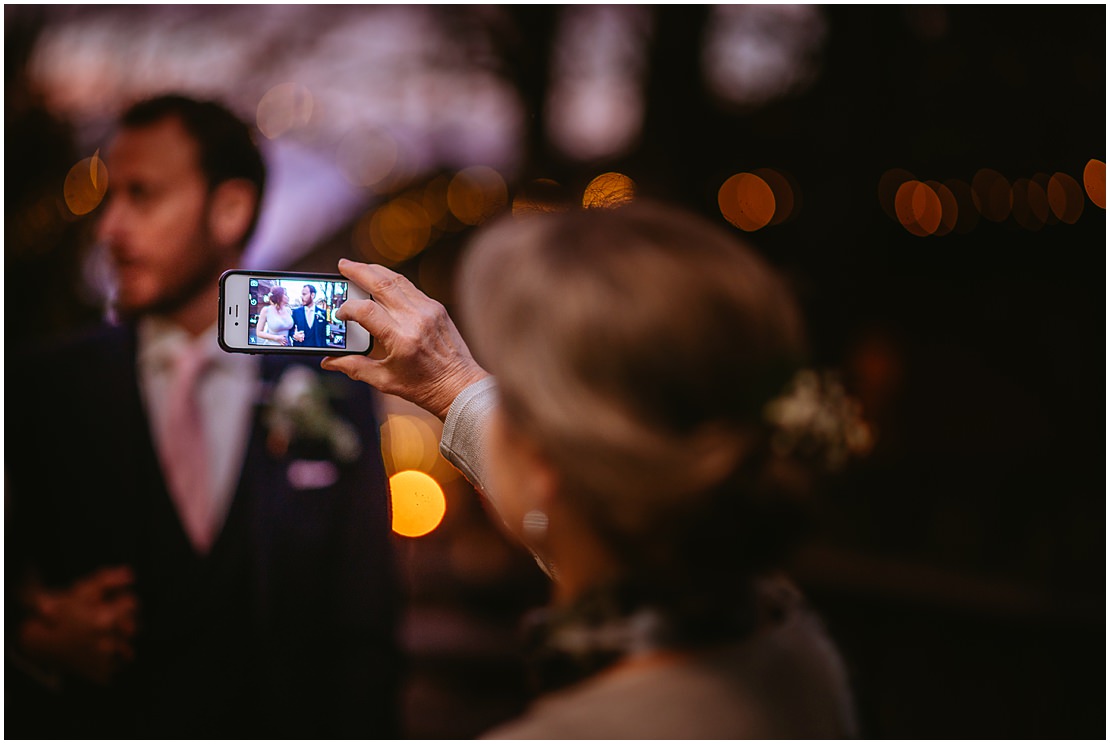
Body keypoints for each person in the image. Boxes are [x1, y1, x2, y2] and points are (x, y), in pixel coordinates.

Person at [323, 202, 861, 738]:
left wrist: (457, 388)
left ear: (541, 468)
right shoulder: (797, 649)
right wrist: (454, 385)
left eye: (512, 393)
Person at [5, 94, 400, 739]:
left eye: (143, 196)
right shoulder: (39, 386)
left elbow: (363, 632)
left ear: (231, 210)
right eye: (110, 197)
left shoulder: (331, 382)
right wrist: (25, 640)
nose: (109, 229)